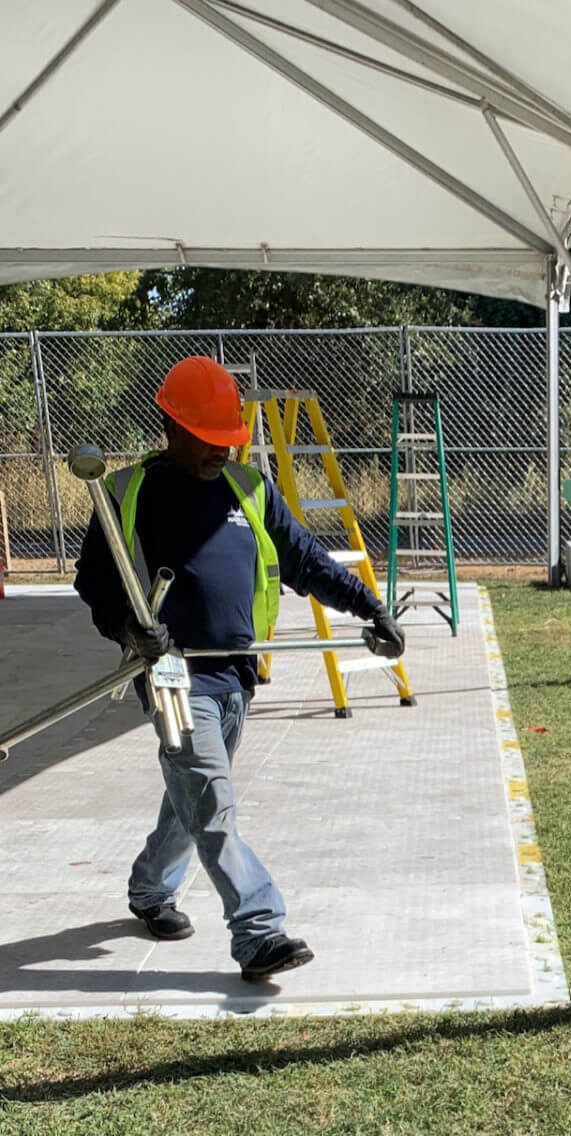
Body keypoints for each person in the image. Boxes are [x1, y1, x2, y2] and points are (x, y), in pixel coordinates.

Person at [74, 356, 405, 982]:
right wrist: (130, 627)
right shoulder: (125, 492)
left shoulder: (248, 488)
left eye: (228, 440)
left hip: (236, 678)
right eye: (207, 439)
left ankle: (149, 890)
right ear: (170, 425)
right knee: (212, 800)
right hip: (170, 675)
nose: (220, 452)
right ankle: (259, 930)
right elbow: (94, 582)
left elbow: (306, 559)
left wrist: (369, 605)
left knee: (193, 799)